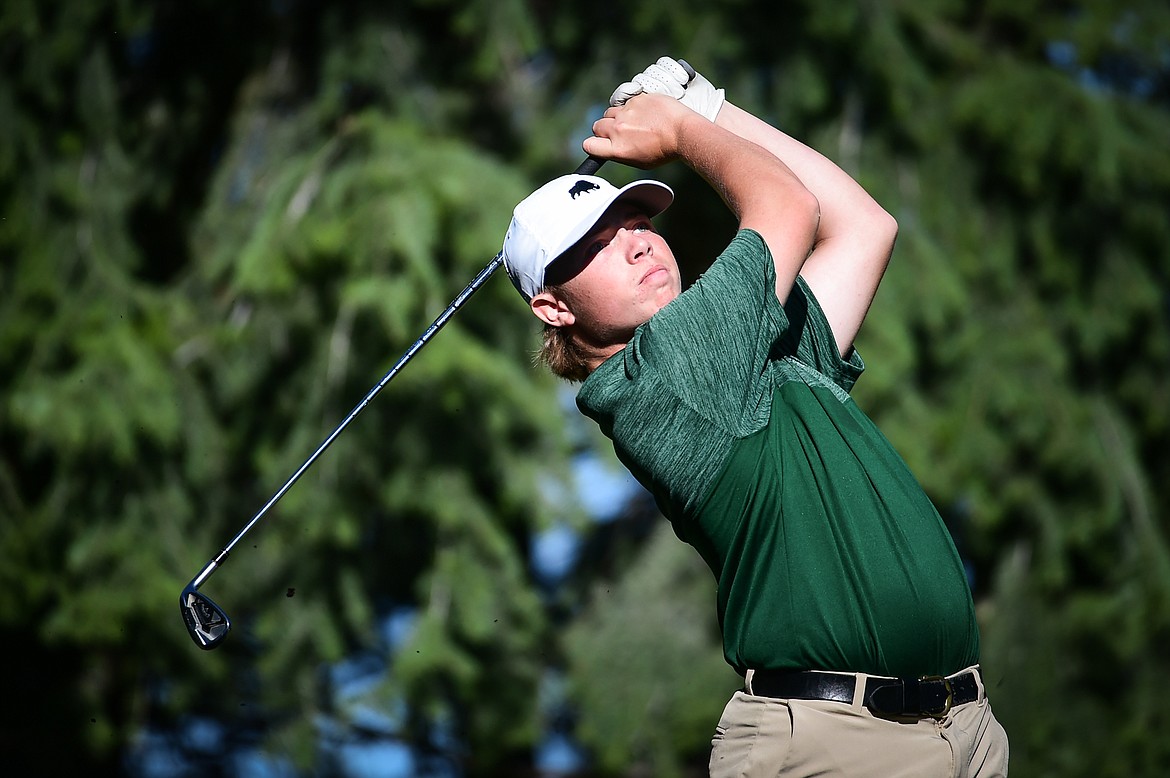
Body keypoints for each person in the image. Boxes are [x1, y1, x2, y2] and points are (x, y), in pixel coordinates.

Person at [501, 57, 1009, 777]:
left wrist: (705, 105)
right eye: (597, 246)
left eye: (637, 222)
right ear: (554, 307)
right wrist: (681, 125)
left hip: (963, 731)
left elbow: (866, 227)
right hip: (833, 745)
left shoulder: (750, 355)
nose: (640, 241)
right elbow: (790, 208)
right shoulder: (665, 374)